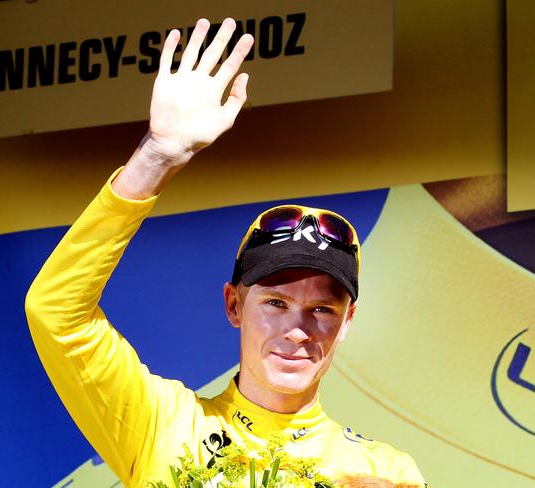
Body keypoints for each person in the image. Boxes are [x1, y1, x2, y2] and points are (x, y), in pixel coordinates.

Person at [25, 17, 426, 488]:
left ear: (348, 322)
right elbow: (54, 313)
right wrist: (157, 155)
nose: (298, 331)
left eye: (321, 309)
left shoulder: (385, 472)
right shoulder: (163, 425)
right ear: (234, 304)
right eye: (276, 303)